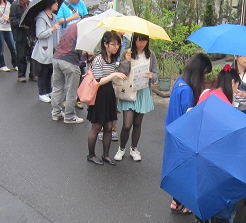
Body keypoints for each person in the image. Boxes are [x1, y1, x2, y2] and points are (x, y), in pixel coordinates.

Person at [197, 64, 242, 223]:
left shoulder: (209, 96)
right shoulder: (226, 108)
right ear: (233, 83)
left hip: (209, 180)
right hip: (224, 187)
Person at [165, 53, 212, 213]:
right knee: (187, 169)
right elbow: (189, 115)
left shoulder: (179, 82)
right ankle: (183, 203)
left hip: (172, 130)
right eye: (204, 73)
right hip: (183, 135)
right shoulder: (187, 90)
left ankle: (175, 201)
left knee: (179, 168)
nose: (204, 76)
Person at [114, 33, 158, 161]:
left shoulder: (151, 54)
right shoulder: (127, 52)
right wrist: (126, 61)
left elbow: (155, 73)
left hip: (143, 92)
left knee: (137, 123)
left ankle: (134, 148)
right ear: (134, 40)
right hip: (129, 91)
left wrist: (151, 76)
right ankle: (121, 149)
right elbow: (122, 72)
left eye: (144, 41)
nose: (142, 43)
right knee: (127, 124)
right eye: (139, 40)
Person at [86, 30, 127, 165]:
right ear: (105, 44)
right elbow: (98, 81)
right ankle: (91, 155)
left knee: (109, 126)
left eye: (118, 45)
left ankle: (106, 155)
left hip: (109, 94)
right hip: (99, 95)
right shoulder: (98, 59)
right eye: (113, 44)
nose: (116, 47)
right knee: (97, 127)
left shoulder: (113, 59)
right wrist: (114, 75)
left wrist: (118, 77)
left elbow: (111, 79)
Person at [50, 22, 84, 124]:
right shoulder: (84, 29)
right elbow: (81, 50)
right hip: (70, 61)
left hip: (57, 57)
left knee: (57, 88)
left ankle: (56, 113)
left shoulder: (72, 25)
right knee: (72, 90)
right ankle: (69, 116)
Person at [31, 0, 61, 103]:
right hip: (44, 49)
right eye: (55, 2)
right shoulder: (41, 18)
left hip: (53, 48)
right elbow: (39, 34)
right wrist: (52, 29)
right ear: (50, 4)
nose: (57, 4)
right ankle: (42, 93)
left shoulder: (55, 17)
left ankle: (48, 90)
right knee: (43, 71)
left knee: (50, 71)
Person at [9, 0, 36, 82]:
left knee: (33, 55)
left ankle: (33, 74)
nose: (29, 1)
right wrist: (22, 23)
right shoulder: (15, 5)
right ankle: (21, 74)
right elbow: (12, 20)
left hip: (31, 33)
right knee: (21, 55)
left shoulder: (33, 5)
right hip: (20, 33)